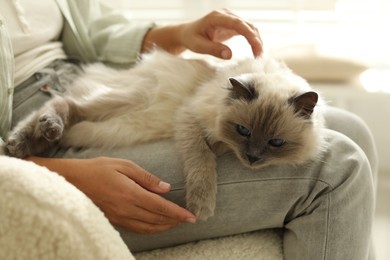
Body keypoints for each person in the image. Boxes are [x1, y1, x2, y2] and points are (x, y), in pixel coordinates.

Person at [0, 1, 377, 259]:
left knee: (353, 130)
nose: (255, 155)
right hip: (37, 134)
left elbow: (90, 33)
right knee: (338, 169)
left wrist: (181, 34)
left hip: (95, 80)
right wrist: (57, 176)